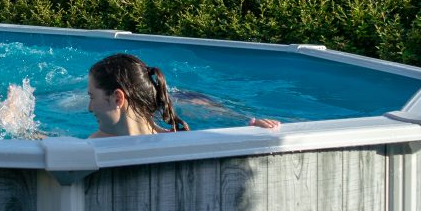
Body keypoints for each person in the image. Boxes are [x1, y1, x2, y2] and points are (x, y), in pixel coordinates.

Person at [86, 53, 279, 138]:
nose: (89, 107)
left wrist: (255, 131)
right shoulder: (91, 146)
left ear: (118, 98)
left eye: (92, 97)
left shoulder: (180, 142)